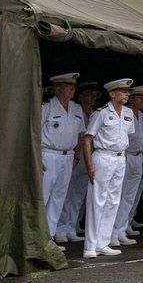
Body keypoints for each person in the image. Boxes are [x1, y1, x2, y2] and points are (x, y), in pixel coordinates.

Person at [80, 78, 135, 259]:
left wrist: (123, 158)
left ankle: (103, 242)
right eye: (123, 91)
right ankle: (90, 245)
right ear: (112, 94)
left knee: (113, 201)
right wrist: (89, 166)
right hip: (103, 156)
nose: (127, 94)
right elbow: (87, 139)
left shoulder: (128, 113)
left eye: (128, 91)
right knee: (97, 201)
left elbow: (126, 139)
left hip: (119, 158)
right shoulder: (101, 113)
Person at [40, 72, 84, 240]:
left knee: (59, 198)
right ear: (58, 89)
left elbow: (80, 135)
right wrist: (37, 157)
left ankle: (49, 238)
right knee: (44, 197)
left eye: (73, 87)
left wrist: (76, 158)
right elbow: (34, 133)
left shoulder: (76, 108)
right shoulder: (46, 107)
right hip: (48, 155)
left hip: (68, 156)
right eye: (69, 87)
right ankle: (39, 238)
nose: (73, 90)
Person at [56, 81, 101, 242]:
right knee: (66, 193)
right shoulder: (76, 110)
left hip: (89, 156)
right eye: (89, 94)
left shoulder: (95, 113)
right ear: (81, 96)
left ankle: (71, 227)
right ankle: (60, 229)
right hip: (74, 155)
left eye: (94, 95)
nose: (92, 98)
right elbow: (79, 136)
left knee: (79, 195)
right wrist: (77, 156)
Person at [112, 84, 143, 246]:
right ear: (132, 99)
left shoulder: (142, 116)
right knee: (119, 195)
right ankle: (113, 231)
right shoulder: (125, 113)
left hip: (139, 156)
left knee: (131, 195)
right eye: (140, 97)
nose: (142, 101)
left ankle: (123, 227)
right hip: (126, 155)